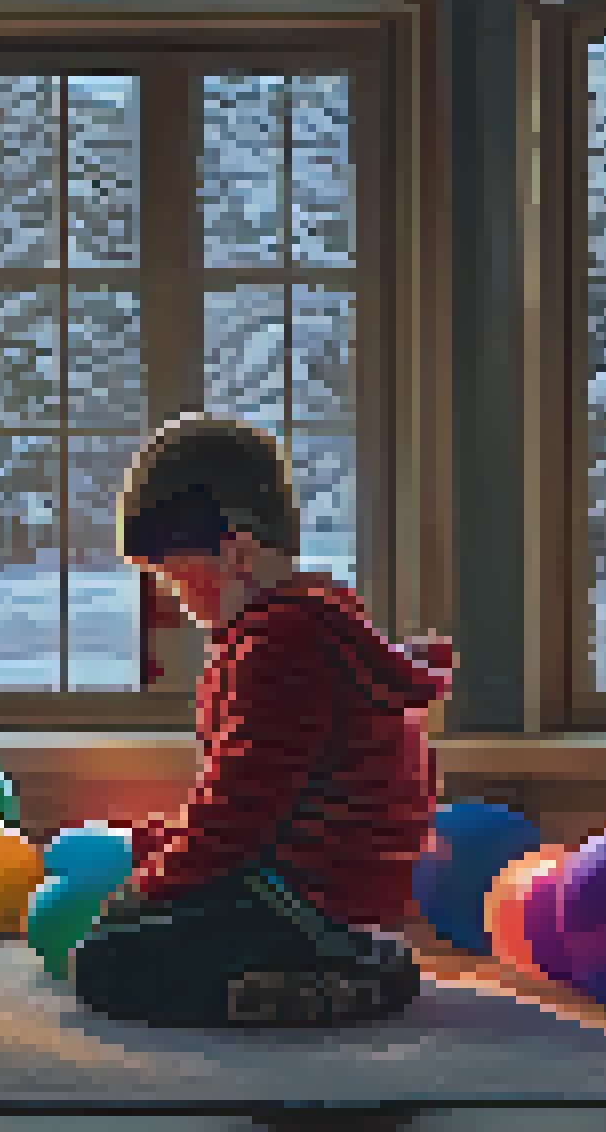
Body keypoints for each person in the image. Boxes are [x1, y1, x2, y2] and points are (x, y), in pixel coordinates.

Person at [69, 412, 456, 1027]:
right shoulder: (313, 621)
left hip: (304, 898)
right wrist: (162, 847)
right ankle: (336, 960)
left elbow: (240, 809)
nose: (182, 605)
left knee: (103, 962)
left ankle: (334, 978)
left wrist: (147, 890)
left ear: (239, 555)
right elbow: (260, 794)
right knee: (150, 863)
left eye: (181, 580)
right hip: (333, 891)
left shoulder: (280, 648)